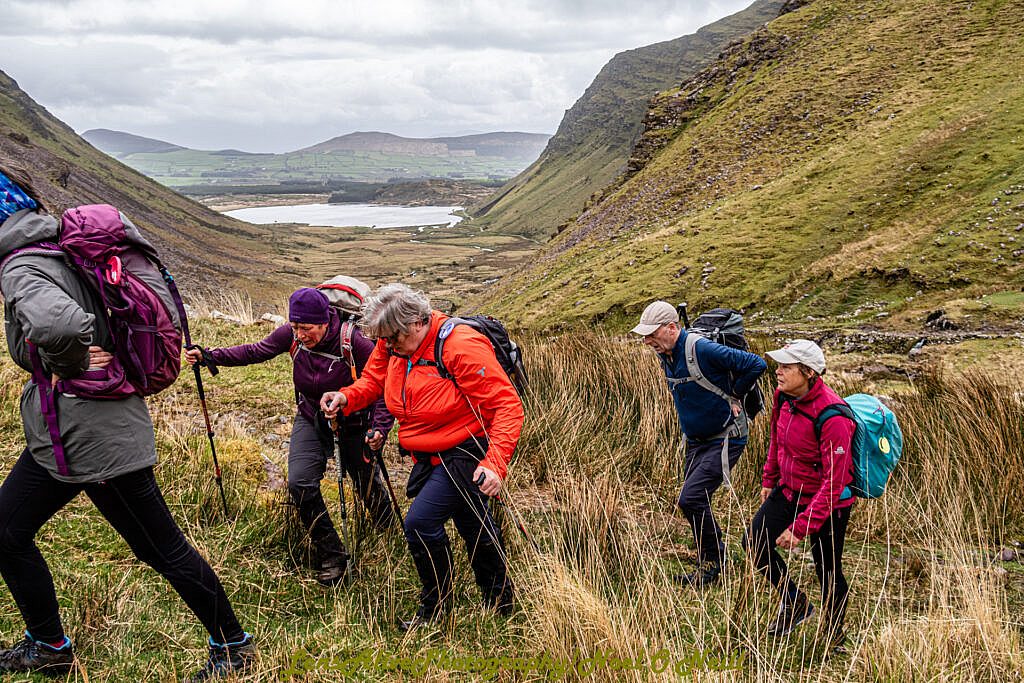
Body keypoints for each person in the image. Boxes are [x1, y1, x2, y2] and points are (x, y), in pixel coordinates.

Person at [0, 164, 253, 681]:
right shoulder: (58, 249)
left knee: (158, 545)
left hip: (94, 436)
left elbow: (61, 324)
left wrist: (68, 363)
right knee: (4, 530)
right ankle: (48, 646)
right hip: (66, 432)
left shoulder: (20, 266)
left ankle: (233, 646)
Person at [320, 283, 524, 630]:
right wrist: (346, 398)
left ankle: (435, 608)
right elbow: (373, 381)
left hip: (466, 448)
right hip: (428, 450)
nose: (387, 346)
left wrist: (495, 463)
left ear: (416, 322)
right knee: (473, 523)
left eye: (393, 339)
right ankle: (501, 600)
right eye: (383, 340)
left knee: (420, 523)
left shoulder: (460, 346)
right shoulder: (393, 344)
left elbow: (506, 406)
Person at [185, 287, 396, 586]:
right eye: (295, 327)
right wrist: (210, 357)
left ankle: (387, 532)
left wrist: (379, 428)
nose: (298, 335)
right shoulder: (291, 335)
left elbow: (382, 385)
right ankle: (332, 554)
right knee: (300, 484)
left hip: (355, 425)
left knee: (364, 483)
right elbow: (255, 351)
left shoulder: (354, 342)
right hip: (311, 417)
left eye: (306, 328)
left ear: (325, 322)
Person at [631, 301, 766, 587]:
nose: (647, 340)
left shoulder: (701, 348)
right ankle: (712, 559)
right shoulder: (664, 352)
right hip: (696, 441)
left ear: (671, 328)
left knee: (690, 498)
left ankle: (714, 564)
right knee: (692, 502)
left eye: (652, 333)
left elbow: (757, 364)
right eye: (645, 335)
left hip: (727, 437)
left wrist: (735, 396)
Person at [743, 339, 854, 650]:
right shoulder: (783, 396)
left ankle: (833, 637)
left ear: (808, 373)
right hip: (789, 490)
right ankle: (796, 603)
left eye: (785, 367)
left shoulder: (834, 418)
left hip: (828, 504)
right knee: (754, 543)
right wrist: (769, 478)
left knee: (827, 569)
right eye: (778, 366)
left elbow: (834, 483)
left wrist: (800, 527)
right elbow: (777, 438)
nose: (777, 372)